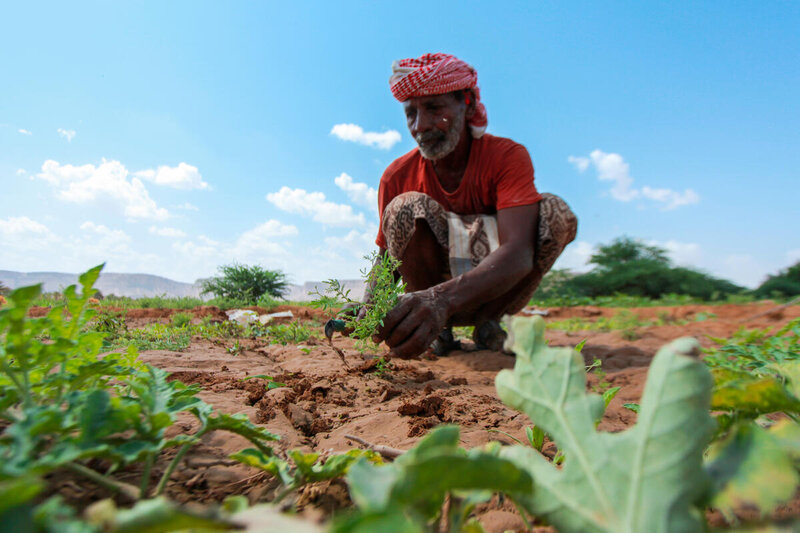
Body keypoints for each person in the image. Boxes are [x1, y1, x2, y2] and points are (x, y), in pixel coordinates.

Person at [366, 53, 577, 359]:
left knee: (555, 212)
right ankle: (439, 332)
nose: (420, 125)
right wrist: (370, 307)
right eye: (410, 113)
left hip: (489, 291)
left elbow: (518, 254)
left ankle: (488, 322)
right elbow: (387, 260)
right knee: (403, 207)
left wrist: (439, 300)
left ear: (467, 103)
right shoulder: (397, 175)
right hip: (430, 293)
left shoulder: (507, 156)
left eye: (434, 108)